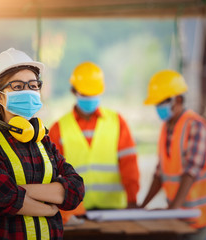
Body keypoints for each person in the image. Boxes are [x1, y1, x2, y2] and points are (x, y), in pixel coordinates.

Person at [0, 48, 85, 240]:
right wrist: (50, 210)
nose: (29, 91)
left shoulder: (43, 141)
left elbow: (75, 189)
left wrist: (20, 190)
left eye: (33, 85)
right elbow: (3, 197)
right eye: (18, 87)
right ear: (0, 97)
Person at [140, 69, 206, 240]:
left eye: (162, 102)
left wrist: (172, 210)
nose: (158, 108)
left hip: (198, 213)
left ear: (178, 99)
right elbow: (160, 174)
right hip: (179, 212)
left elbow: (191, 172)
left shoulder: (195, 125)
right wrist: (142, 207)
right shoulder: (166, 128)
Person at [49, 62, 140, 224]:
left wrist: (132, 200)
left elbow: (129, 164)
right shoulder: (58, 128)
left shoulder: (117, 122)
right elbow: (52, 174)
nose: (90, 98)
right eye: (86, 94)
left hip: (113, 212)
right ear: (73, 91)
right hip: (74, 213)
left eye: (94, 94)